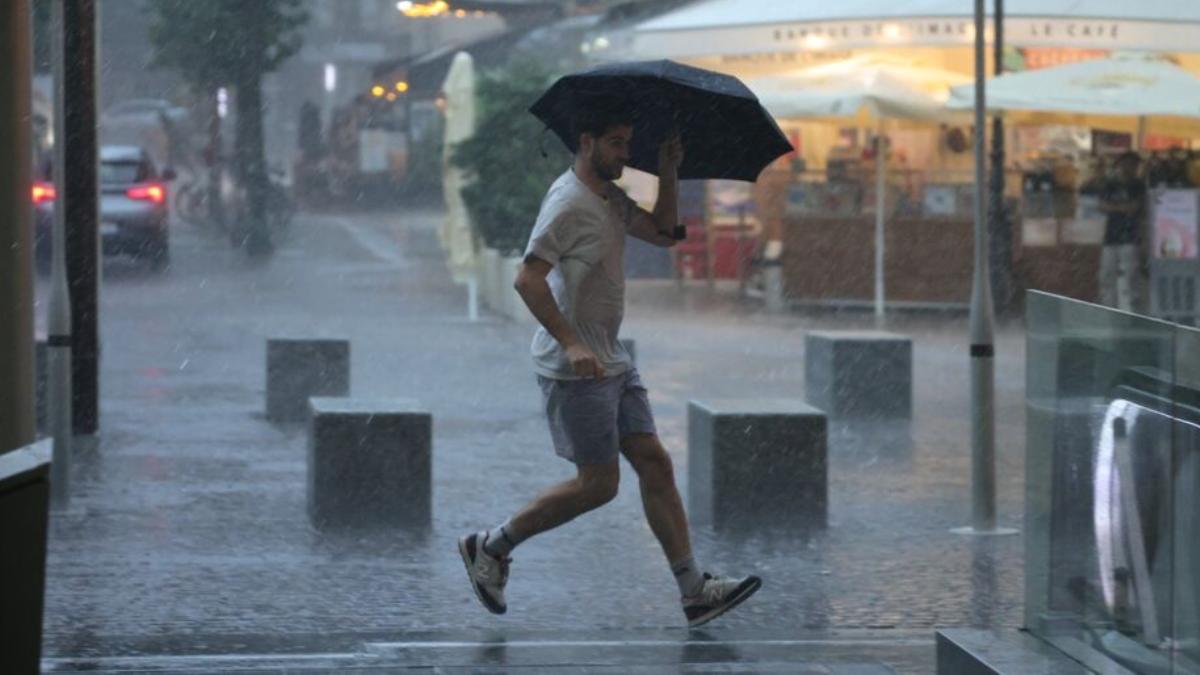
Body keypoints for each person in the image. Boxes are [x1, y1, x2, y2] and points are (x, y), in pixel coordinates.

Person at [458, 107, 762, 628]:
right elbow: (527, 279)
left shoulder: (609, 198)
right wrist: (573, 344)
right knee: (598, 485)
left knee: (654, 462)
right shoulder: (567, 203)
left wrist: (669, 170)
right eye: (617, 143)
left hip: (611, 358)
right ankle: (490, 546)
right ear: (587, 142)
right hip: (575, 367)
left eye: (628, 142)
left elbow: (665, 233)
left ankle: (694, 591)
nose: (626, 152)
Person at [1098, 151, 1148, 311]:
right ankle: (1109, 310)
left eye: (1133, 165)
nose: (1130, 168)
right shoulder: (1110, 184)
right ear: (1119, 165)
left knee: (1131, 275)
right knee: (1107, 274)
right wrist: (1123, 208)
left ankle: (1134, 310)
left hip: (1130, 236)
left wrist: (1115, 208)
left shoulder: (1138, 185)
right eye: (1127, 164)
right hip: (1111, 236)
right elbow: (1102, 205)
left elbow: (1136, 207)